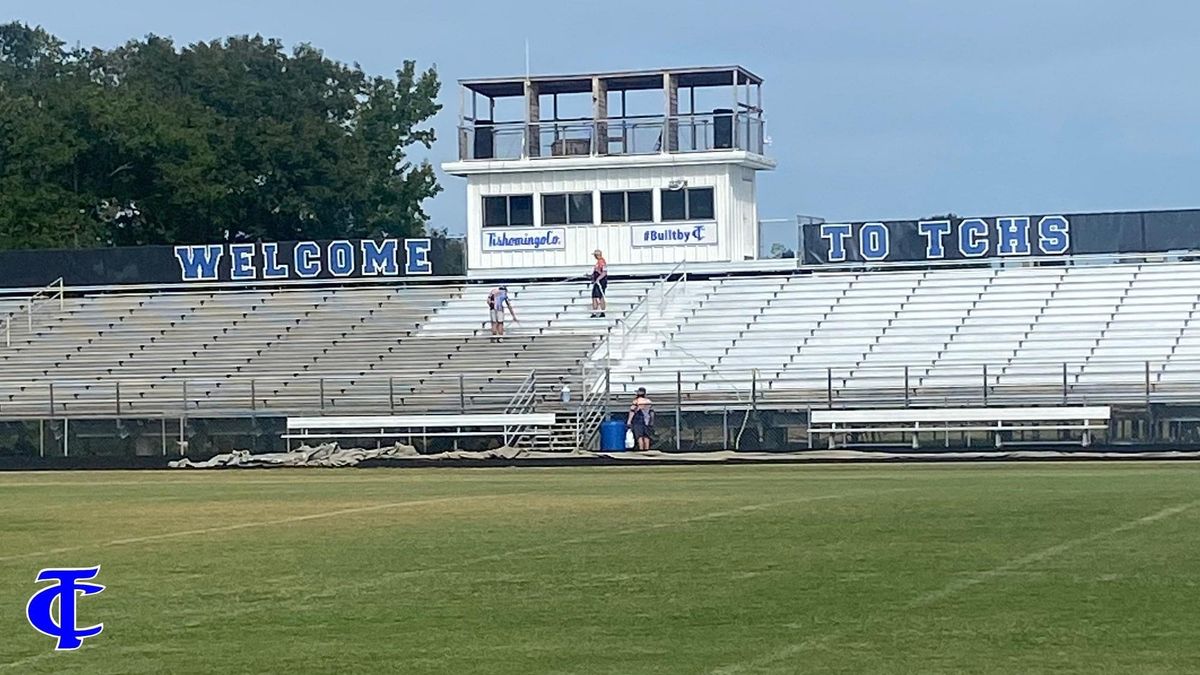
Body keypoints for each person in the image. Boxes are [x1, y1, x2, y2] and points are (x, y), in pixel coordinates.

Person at [590, 249, 608, 318]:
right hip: (597, 281)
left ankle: (601, 312)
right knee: (595, 296)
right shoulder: (598, 262)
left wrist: (598, 279)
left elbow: (604, 272)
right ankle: (595, 312)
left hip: (600, 282)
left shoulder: (602, 262)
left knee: (599, 296)